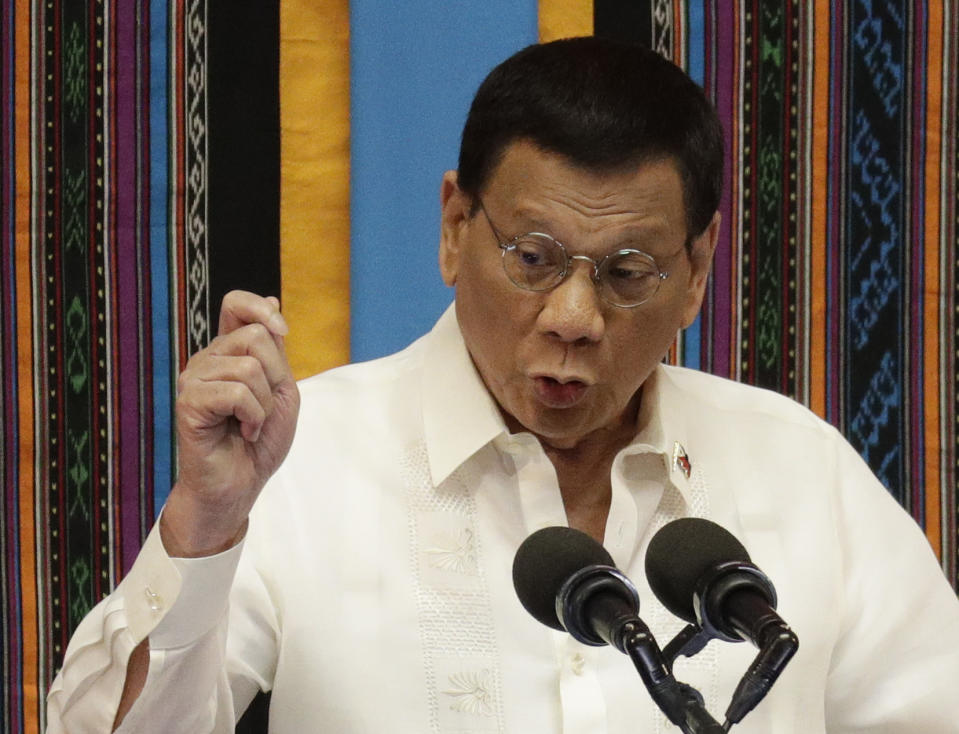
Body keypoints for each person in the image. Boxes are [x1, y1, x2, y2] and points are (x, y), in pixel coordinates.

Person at [47, 36, 959, 733]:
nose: (572, 314)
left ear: (699, 267)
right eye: (532, 257)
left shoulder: (798, 468)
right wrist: (204, 526)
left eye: (628, 269)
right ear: (454, 226)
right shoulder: (300, 460)